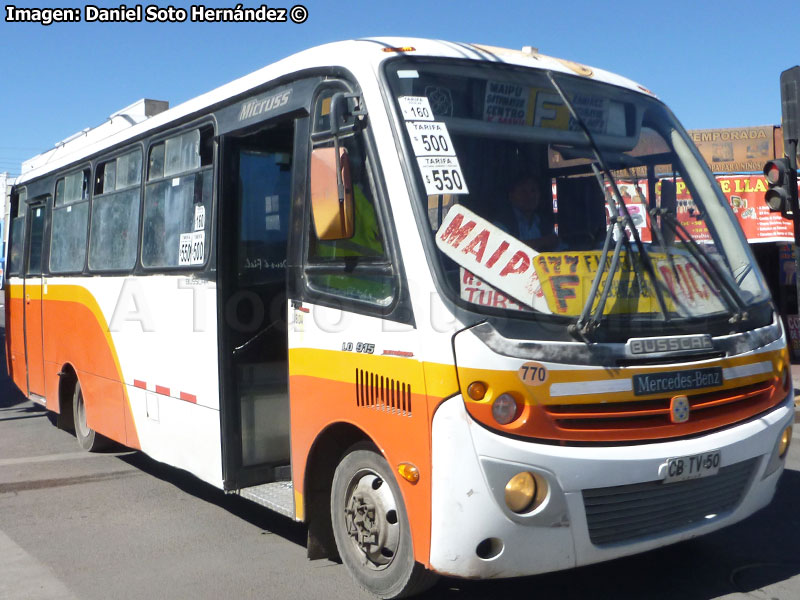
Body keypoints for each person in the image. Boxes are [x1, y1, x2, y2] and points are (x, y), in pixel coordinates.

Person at [502, 175, 559, 251]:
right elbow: (503, 250)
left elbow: (561, 249)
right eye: (523, 191)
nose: (530, 196)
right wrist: (542, 242)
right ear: (511, 196)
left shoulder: (544, 224)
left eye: (533, 191)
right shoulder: (501, 224)